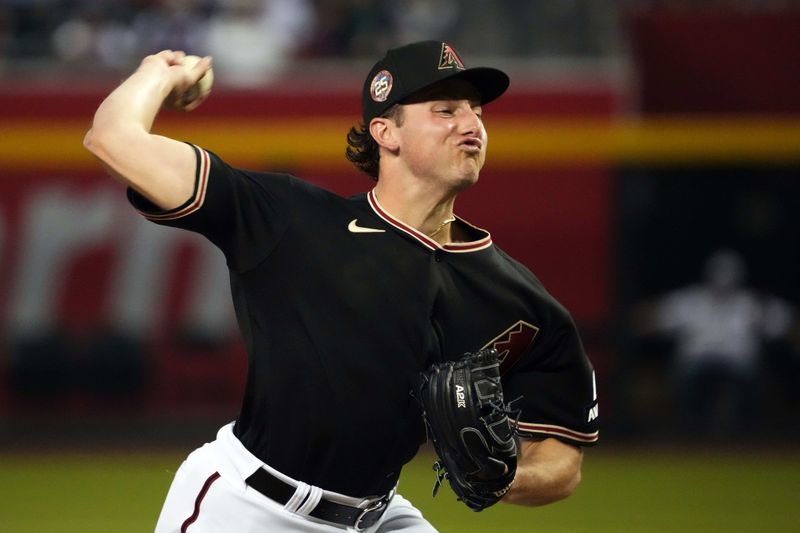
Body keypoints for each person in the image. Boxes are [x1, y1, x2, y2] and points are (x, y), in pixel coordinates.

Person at [84, 41, 599, 532]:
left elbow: (562, 463)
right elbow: (112, 139)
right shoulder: (290, 218)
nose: (472, 124)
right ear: (385, 132)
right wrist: (159, 73)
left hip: (378, 515)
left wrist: (506, 477)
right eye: (445, 110)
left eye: (477, 111)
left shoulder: (522, 302)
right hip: (249, 507)